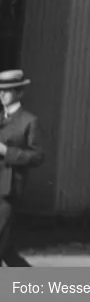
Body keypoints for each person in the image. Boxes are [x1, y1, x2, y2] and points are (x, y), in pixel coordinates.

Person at [0, 70, 44, 268]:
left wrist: (6, 151)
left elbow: (37, 156)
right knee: (7, 250)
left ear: (19, 93)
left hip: (8, 192)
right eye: (0, 91)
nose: (1, 95)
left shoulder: (29, 121)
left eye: (7, 91)